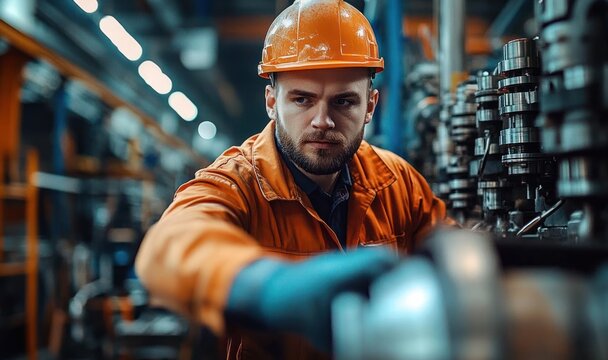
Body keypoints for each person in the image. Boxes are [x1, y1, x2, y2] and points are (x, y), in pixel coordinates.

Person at [135, 0, 454, 358]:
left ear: (370, 106)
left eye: (344, 102)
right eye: (302, 99)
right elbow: (167, 247)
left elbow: (460, 263)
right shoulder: (237, 183)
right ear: (272, 102)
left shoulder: (399, 184)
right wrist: (266, 286)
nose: (322, 121)